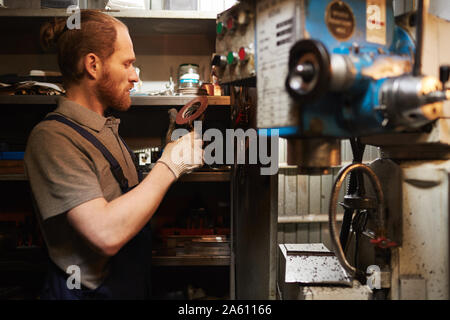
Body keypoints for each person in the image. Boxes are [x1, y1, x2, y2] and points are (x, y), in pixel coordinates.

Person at [24, 10, 203, 300]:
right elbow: (105, 233)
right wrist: (170, 164)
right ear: (93, 65)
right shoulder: (52, 139)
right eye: (128, 63)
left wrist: (166, 153)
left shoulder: (104, 128)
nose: (135, 76)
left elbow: (122, 196)